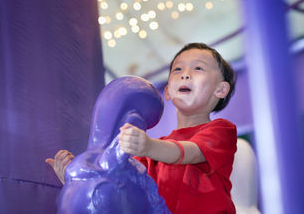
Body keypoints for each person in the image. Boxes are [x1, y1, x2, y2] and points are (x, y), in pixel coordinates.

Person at [46, 43, 237, 214]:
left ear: (220, 90)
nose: (185, 74)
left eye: (198, 68)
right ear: (168, 91)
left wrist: (148, 147)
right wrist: (78, 180)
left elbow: (191, 153)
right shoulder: (151, 150)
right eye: (178, 69)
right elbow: (123, 185)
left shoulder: (221, 130)